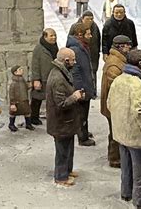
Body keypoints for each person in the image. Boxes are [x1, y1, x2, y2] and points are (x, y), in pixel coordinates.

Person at [107, 49, 141, 208]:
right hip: (137, 134)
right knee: (140, 169)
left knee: (126, 166)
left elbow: (110, 104)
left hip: (121, 132)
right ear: (140, 64)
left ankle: (126, 193)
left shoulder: (118, 80)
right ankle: (140, 199)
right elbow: (140, 111)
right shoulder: (137, 84)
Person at [46, 47, 85, 187]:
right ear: (66, 60)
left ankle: (67, 170)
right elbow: (61, 104)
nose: (74, 62)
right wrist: (74, 97)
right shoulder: (57, 78)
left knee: (68, 148)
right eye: (73, 60)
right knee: (62, 151)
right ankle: (61, 177)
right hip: (60, 121)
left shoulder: (62, 72)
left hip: (67, 121)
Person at [100, 35, 132, 168]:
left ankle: (116, 156)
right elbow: (116, 87)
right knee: (115, 132)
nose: (129, 47)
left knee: (116, 131)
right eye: (127, 45)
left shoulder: (119, 60)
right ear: (120, 47)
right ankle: (114, 158)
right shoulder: (114, 64)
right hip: (113, 105)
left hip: (114, 104)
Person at [66, 22, 95, 146]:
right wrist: (80, 89)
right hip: (81, 87)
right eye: (88, 34)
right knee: (81, 113)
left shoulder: (82, 46)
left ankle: (84, 131)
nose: (91, 36)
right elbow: (75, 72)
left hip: (85, 85)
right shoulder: (75, 50)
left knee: (84, 112)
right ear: (80, 35)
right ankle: (82, 137)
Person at [30, 28, 58, 125]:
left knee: (53, 99)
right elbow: (35, 65)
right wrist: (36, 79)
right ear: (45, 36)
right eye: (51, 36)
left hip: (52, 76)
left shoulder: (54, 46)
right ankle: (33, 117)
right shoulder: (39, 48)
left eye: (54, 35)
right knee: (37, 99)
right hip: (42, 78)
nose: (54, 37)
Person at [8, 65, 35, 132]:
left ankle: (28, 124)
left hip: (24, 100)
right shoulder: (13, 83)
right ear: (15, 72)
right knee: (13, 113)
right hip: (17, 101)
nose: (22, 70)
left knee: (27, 112)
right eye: (20, 70)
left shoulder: (23, 80)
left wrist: (31, 85)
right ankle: (11, 124)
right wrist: (12, 103)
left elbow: (26, 87)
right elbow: (11, 94)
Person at [80, 11, 100, 97]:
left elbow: (99, 41)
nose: (90, 21)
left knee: (93, 72)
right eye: (87, 19)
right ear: (82, 19)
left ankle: (93, 91)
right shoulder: (76, 27)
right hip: (81, 54)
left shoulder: (95, 27)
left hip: (93, 54)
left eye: (91, 19)